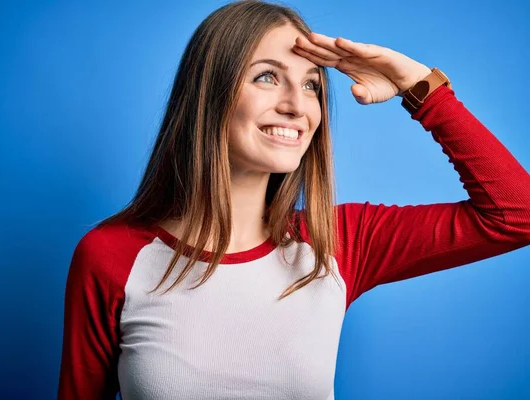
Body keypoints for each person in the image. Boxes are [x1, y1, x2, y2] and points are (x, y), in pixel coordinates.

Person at [57, 1, 530, 399]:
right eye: (267, 77)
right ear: (210, 93)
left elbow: (518, 214)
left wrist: (420, 86)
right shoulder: (111, 255)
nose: (297, 105)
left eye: (311, 85)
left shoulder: (339, 243)